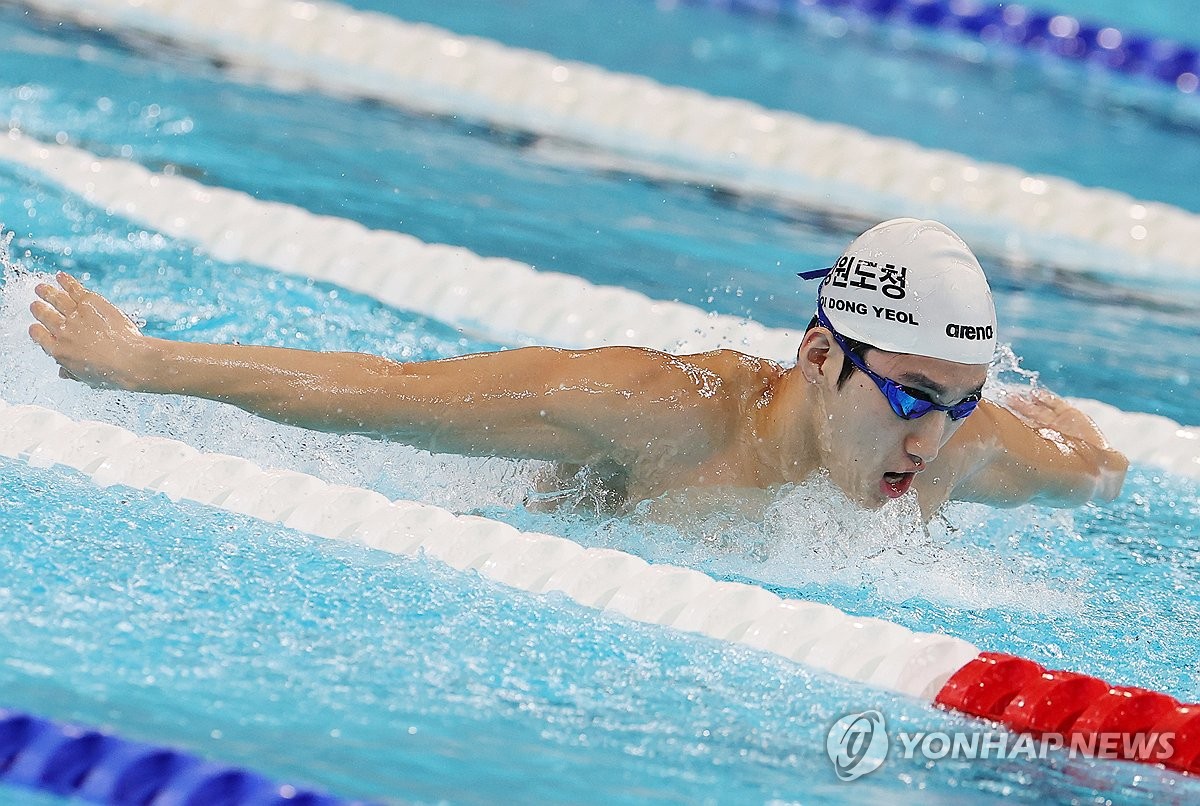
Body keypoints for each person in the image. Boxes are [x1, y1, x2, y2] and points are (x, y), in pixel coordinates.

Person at [27, 218, 1127, 521]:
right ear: (820, 356)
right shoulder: (654, 410)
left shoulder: (958, 450)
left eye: (962, 402)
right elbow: (387, 393)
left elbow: (1096, 467)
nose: (933, 438)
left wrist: (1064, 432)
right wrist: (145, 362)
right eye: (911, 397)